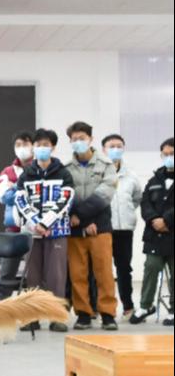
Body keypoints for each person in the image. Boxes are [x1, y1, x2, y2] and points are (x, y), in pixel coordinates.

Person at [13, 128, 75, 332]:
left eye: (46, 145)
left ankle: (57, 317)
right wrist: (35, 223)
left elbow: (65, 200)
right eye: (38, 144)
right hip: (32, 232)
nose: (41, 148)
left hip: (57, 231)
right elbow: (20, 200)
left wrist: (46, 223)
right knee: (33, 276)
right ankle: (32, 317)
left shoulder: (63, 173)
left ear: (53, 147)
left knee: (57, 275)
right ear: (33, 147)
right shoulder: (26, 174)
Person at [65, 121, 119, 330]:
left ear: (91, 139)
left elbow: (104, 195)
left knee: (104, 272)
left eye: (82, 138)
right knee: (77, 274)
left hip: (99, 226)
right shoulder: (66, 168)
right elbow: (66, 195)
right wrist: (79, 219)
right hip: (75, 228)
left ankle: (107, 314)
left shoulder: (106, 165)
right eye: (74, 139)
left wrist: (86, 219)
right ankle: (83, 314)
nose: (78, 142)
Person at [130, 138, 174, 327]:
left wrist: (167, 221)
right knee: (151, 268)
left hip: (171, 232)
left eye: (172, 154)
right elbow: (145, 202)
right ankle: (145, 306)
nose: (169, 157)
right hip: (155, 235)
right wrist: (154, 219)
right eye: (166, 154)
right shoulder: (155, 179)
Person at [101, 134, 143, 319]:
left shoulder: (131, 176)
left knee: (124, 268)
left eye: (119, 146)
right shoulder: (99, 173)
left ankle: (128, 306)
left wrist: (126, 212)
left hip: (124, 229)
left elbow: (136, 198)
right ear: (104, 150)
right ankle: (100, 307)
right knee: (101, 269)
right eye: (111, 146)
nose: (115, 149)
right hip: (103, 228)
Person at [0, 131, 34, 298]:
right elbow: (4, 197)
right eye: (18, 145)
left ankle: (32, 309)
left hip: (36, 230)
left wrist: (14, 186)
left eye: (26, 144)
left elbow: (39, 196)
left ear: (33, 146)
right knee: (6, 274)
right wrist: (21, 187)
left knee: (34, 275)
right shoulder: (7, 171)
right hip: (13, 230)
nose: (22, 148)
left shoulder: (42, 168)